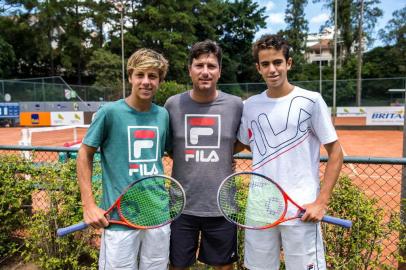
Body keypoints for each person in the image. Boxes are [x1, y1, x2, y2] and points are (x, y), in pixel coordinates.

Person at [237, 34, 343, 270]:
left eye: (277, 62)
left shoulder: (311, 100)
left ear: (289, 63)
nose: (272, 69)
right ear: (258, 68)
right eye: (265, 64)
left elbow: (336, 152)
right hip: (259, 209)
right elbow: (243, 142)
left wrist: (320, 202)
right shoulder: (249, 106)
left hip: (301, 209)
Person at [77, 48, 171, 270]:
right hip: (120, 219)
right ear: (130, 77)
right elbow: (84, 154)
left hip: (157, 216)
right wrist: (89, 205)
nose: (146, 81)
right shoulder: (109, 112)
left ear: (160, 81)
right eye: (140, 75)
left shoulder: (163, 115)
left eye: (153, 76)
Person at [164, 40, 243, 270]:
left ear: (220, 71)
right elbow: (171, 147)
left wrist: (224, 152)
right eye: (199, 65)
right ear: (189, 69)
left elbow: (240, 142)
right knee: (177, 266)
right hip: (181, 206)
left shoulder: (236, 105)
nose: (205, 72)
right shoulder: (173, 105)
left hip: (222, 206)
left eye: (212, 66)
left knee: (225, 267)